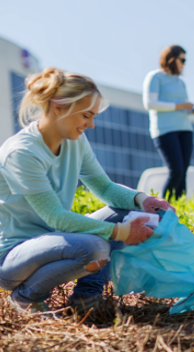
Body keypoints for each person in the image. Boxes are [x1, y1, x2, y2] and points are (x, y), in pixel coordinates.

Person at [0, 68, 173, 314]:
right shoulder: (22, 152)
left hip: (59, 238)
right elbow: (56, 217)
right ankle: (26, 297)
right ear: (58, 106)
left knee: (139, 214)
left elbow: (103, 187)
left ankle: (86, 300)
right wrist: (120, 232)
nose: (90, 125)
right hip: (13, 256)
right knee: (95, 247)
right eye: (86, 115)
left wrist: (143, 200)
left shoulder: (75, 141)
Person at [143, 45, 194, 200]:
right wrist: (180, 106)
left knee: (183, 171)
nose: (184, 63)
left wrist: (192, 110)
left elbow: (182, 106)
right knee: (175, 171)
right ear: (171, 59)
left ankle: (179, 209)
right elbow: (150, 104)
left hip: (185, 128)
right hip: (164, 130)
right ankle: (164, 207)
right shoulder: (155, 77)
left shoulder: (180, 82)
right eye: (182, 59)